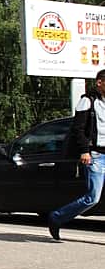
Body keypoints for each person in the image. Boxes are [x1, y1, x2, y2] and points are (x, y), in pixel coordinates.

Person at [48, 68, 105, 240]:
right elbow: (78, 129)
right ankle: (56, 217)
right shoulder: (87, 101)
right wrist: (84, 151)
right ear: (99, 82)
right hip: (95, 155)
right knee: (92, 198)